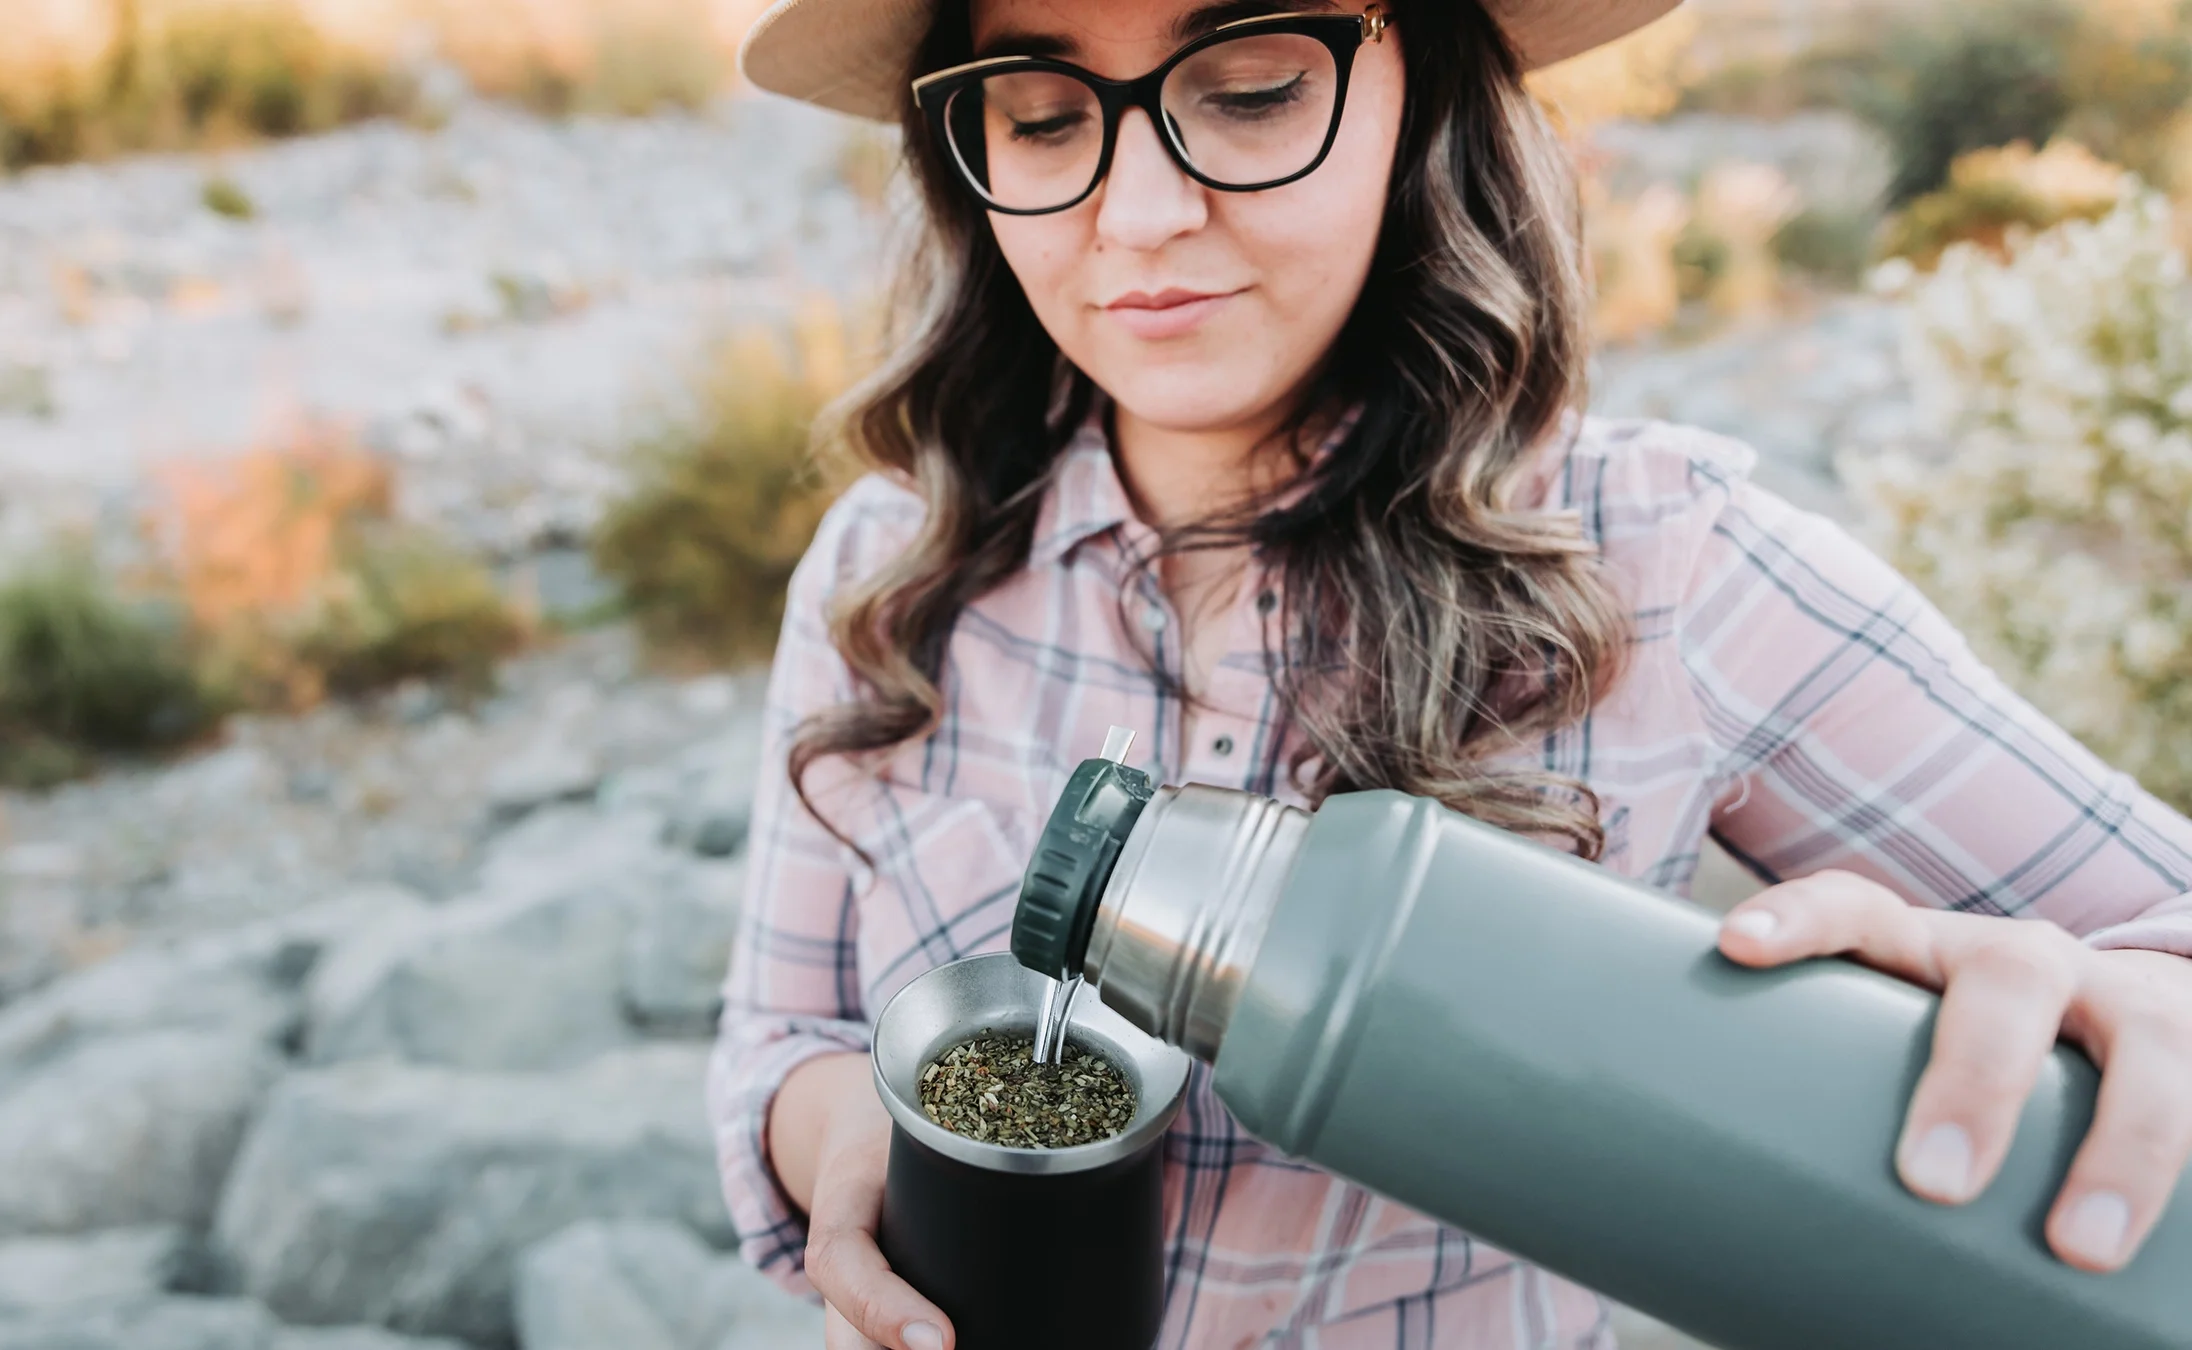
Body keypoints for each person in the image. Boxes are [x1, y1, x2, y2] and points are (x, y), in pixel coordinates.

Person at [705, 1, 2192, 1345]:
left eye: (1254, 87)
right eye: (1040, 114)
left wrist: (2124, 1007)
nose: (1140, 212)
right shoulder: (883, 565)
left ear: (1429, 98)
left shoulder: (1669, 564)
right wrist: (854, 1140)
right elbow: (781, 1039)